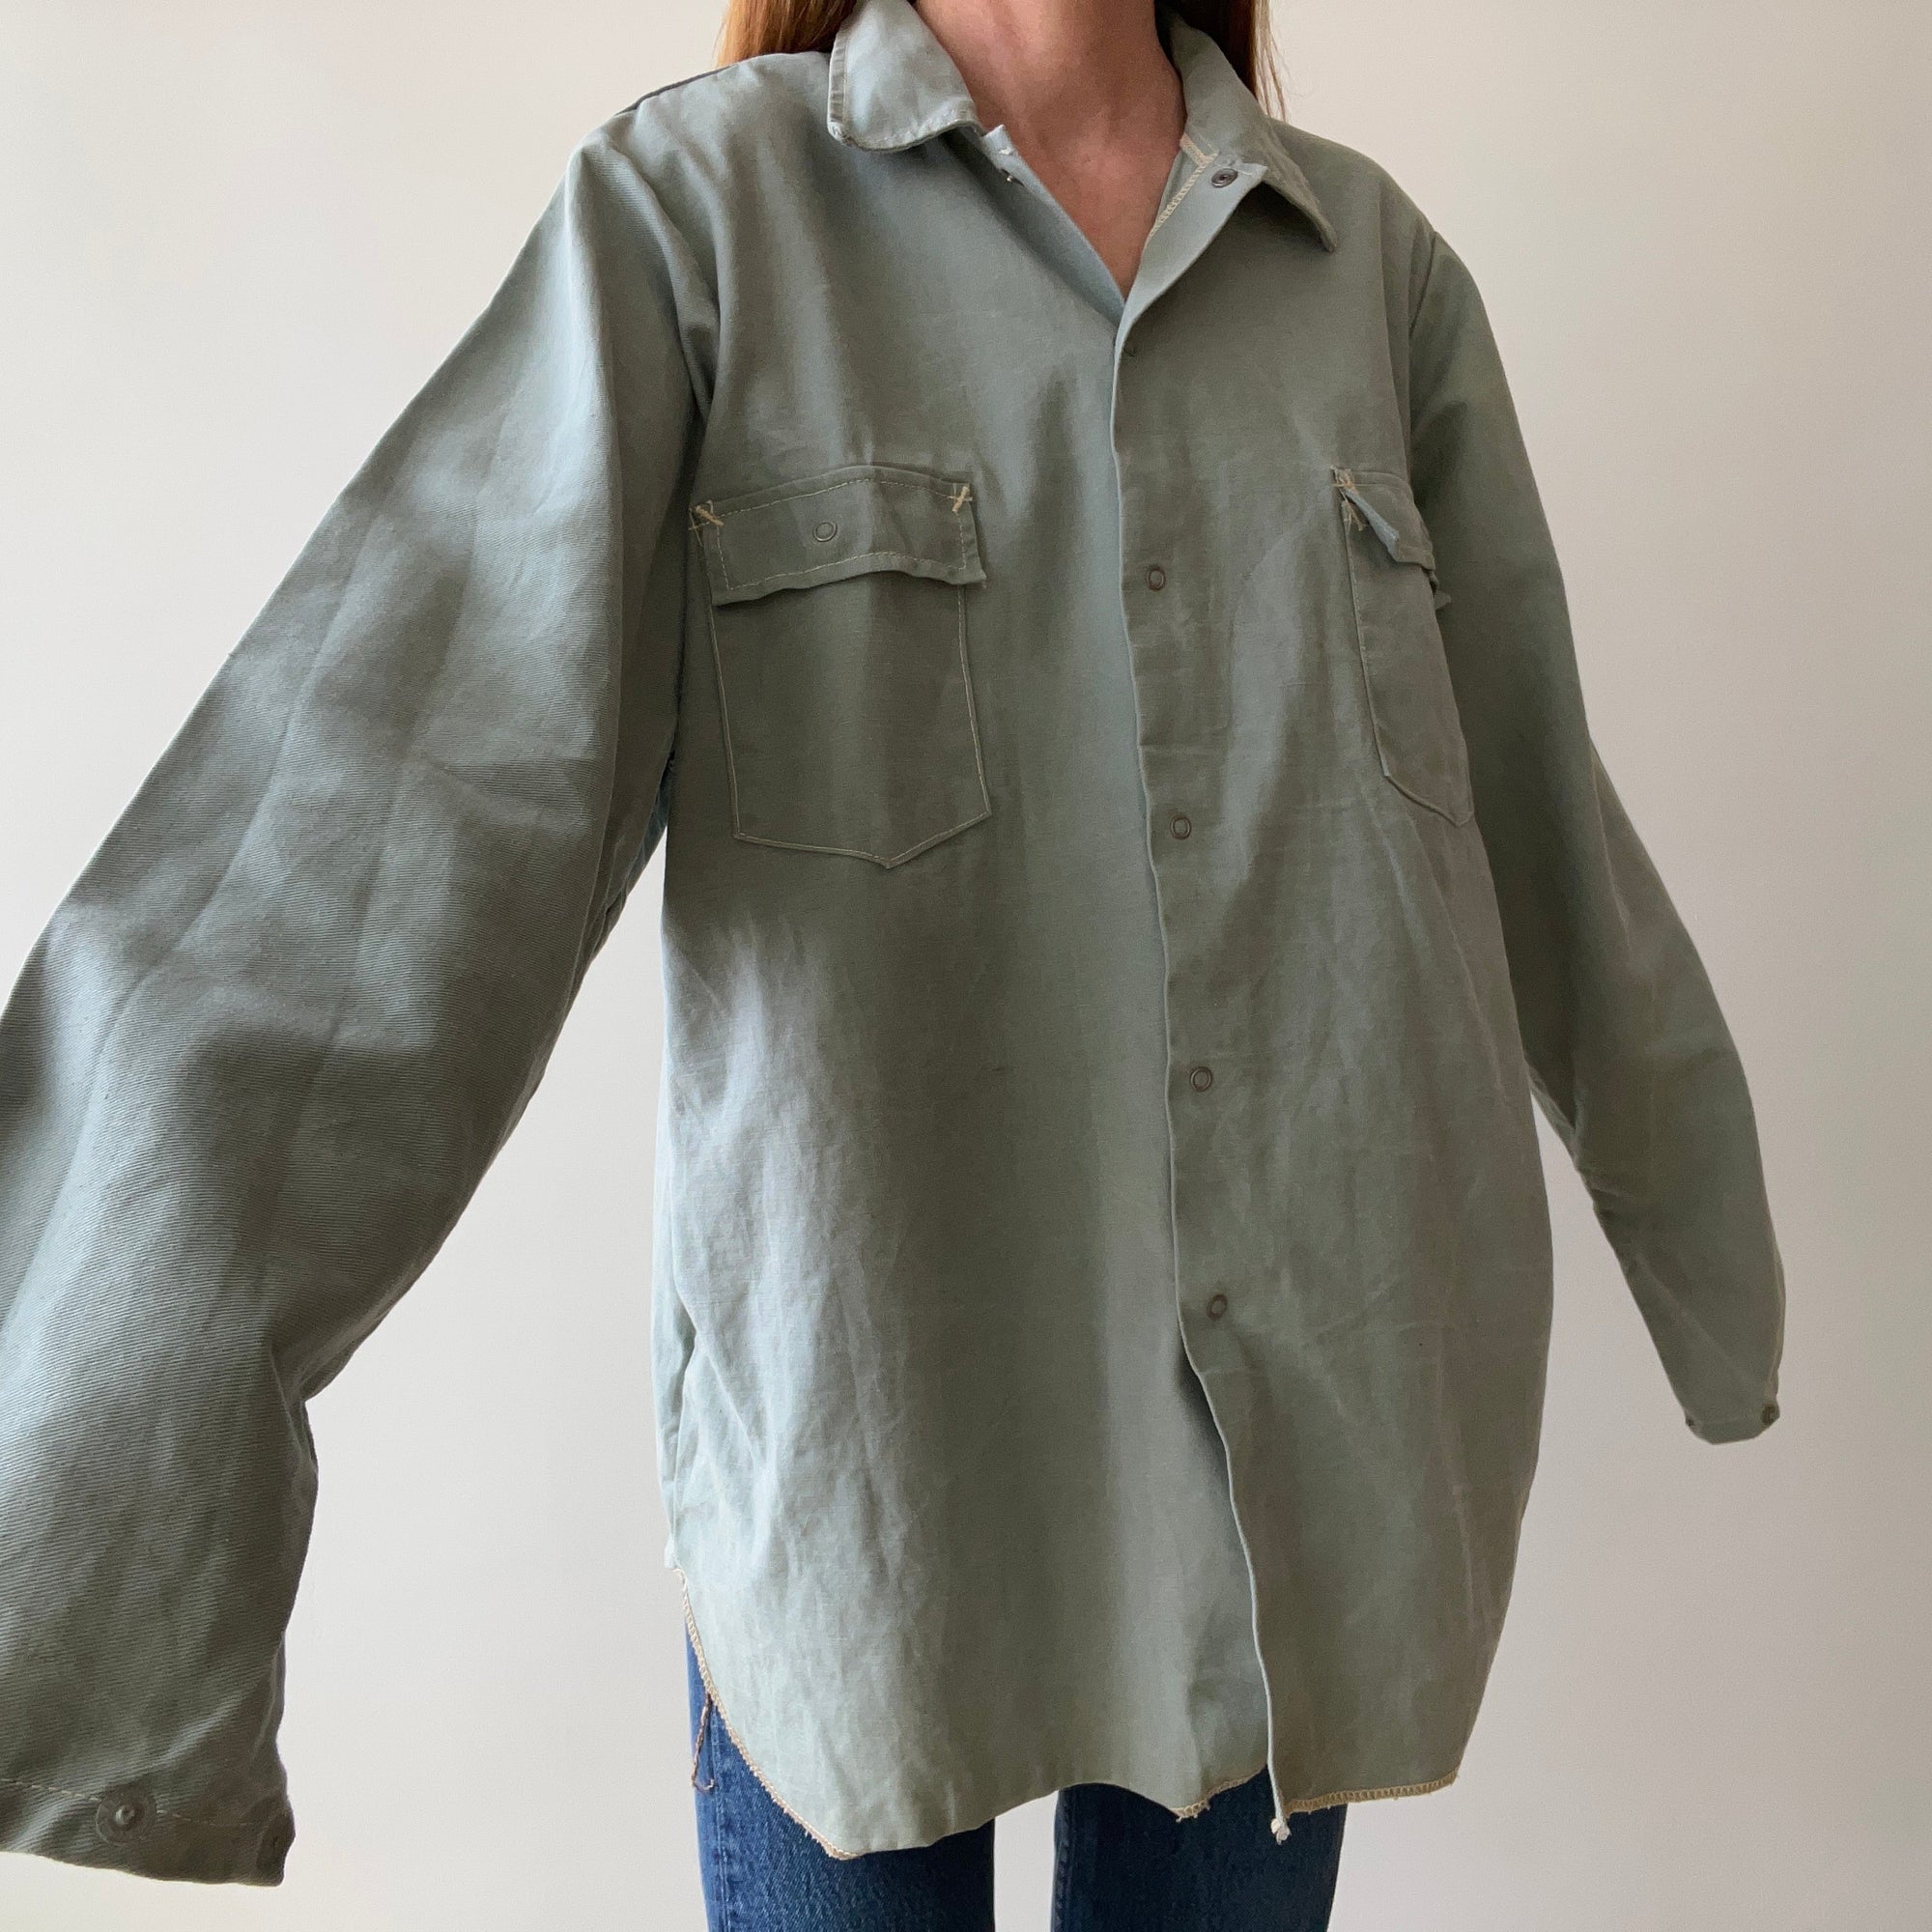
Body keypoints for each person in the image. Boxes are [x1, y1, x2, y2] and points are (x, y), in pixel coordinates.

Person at [0, 0, 1786, 1925]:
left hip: (1290, 1485)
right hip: (867, 1469)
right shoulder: (696, 219)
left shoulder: (1368, 273)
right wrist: (92, 1439)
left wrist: (1703, 1245)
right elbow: (382, 818)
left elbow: (1532, 799)